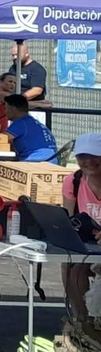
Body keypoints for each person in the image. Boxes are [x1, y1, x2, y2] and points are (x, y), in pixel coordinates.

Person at [61, 133, 101, 340]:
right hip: (89, 245)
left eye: (95, 155)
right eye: (82, 156)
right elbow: (69, 220)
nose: (88, 161)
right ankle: (82, 322)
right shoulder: (73, 181)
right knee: (69, 263)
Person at [4, 94, 58, 162]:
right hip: (52, 161)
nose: (4, 112)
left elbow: (2, 139)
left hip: (35, 162)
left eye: (5, 108)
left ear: (13, 110)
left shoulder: (21, 123)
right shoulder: (33, 122)